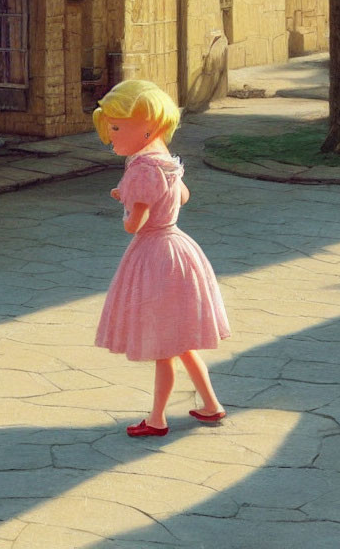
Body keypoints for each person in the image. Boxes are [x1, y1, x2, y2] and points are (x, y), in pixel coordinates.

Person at [93, 79, 231, 437]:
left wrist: (127, 206)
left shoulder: (140, 169)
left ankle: (157, 419)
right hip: (178, 248)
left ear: (148, 127)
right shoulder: (167, 162)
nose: (111, 135)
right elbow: (181, 197)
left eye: (118, 127)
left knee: (165, 346)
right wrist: (133, 196)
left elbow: (133, 225)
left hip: (154, 256)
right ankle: (211, 405)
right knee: (181, 341)